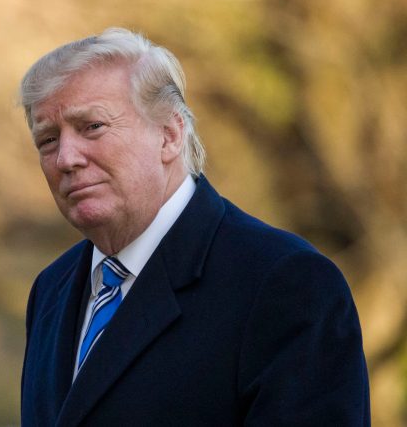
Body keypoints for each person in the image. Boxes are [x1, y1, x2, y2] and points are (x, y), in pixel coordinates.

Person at [19, 27, 370, 426]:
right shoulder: (52, 289)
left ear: (169, 135)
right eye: (47, 140)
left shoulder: (285, 282)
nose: (66, 158)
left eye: (92, 127)